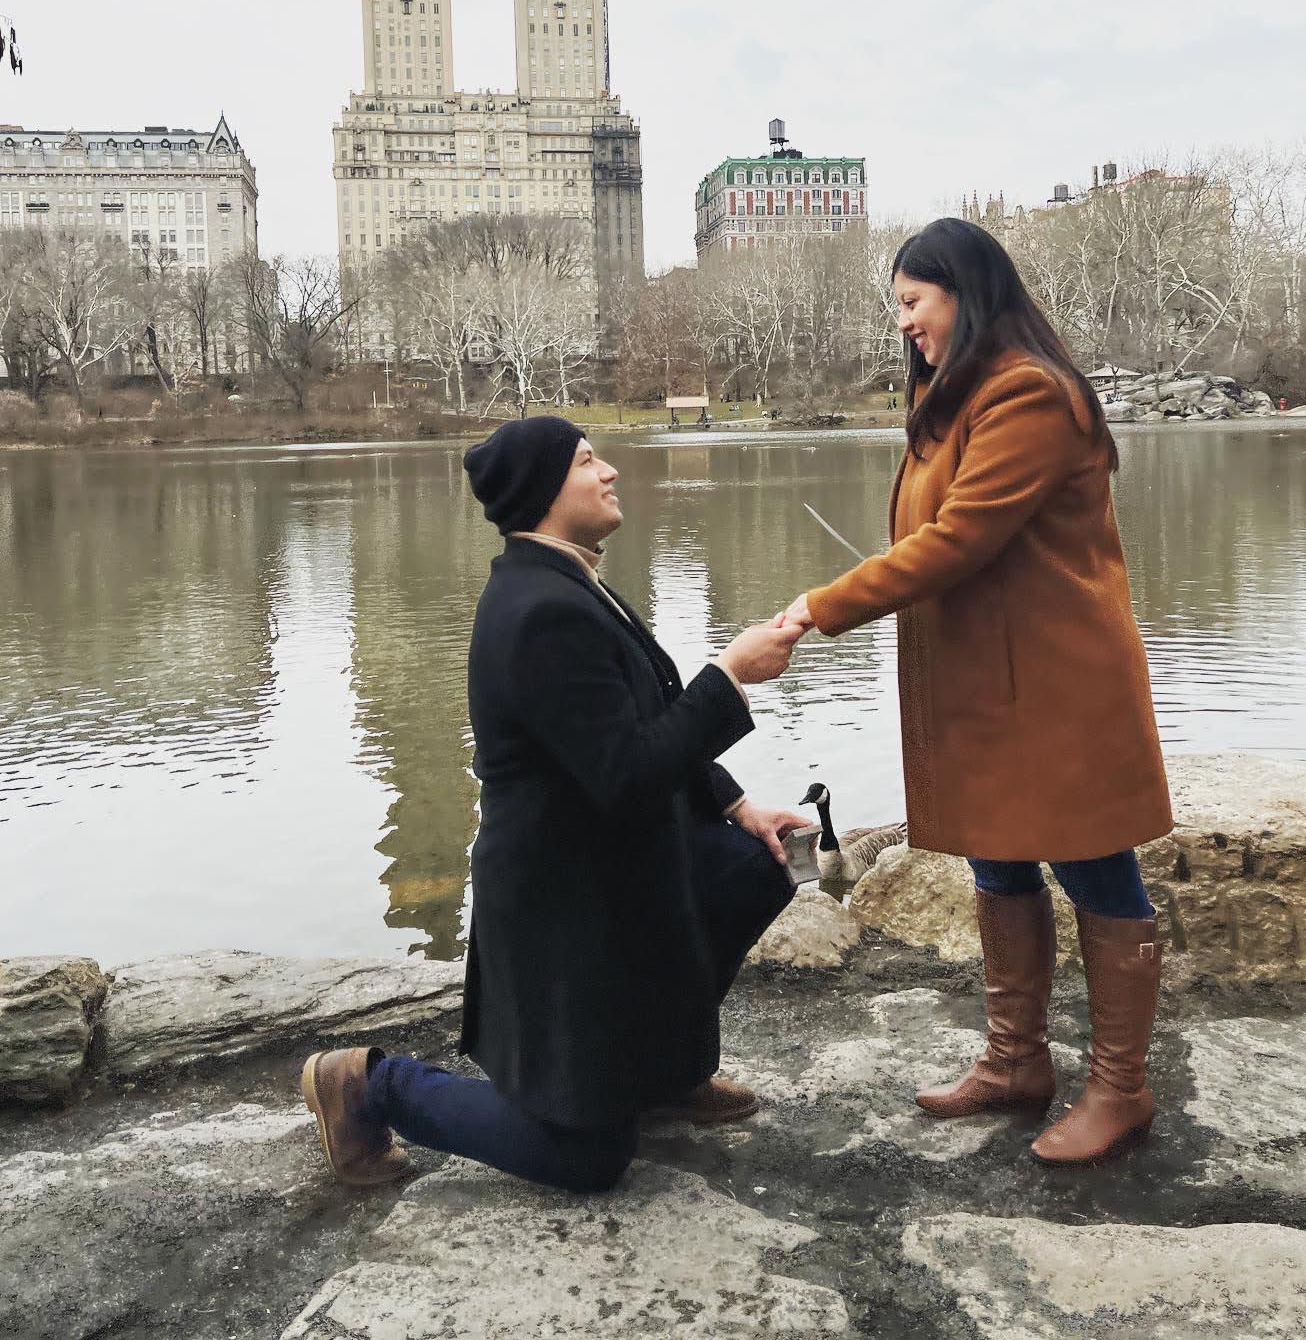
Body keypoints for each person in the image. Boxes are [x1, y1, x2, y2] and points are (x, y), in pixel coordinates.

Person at [302, 415, 810, 1193]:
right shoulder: (540, 613)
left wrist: (737, 805)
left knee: (758, 863)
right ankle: (369, 1086)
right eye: (586, 461)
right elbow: (626, 774)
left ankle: (660, 1074)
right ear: (545, 492)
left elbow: (640, 714)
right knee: (591, 1159)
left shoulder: (567, 580)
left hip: (617, 872)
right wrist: (731, 674)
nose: (609, 472)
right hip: (566, 911)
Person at [779, 219, 1173, 1167]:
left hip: (1052, 686)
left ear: (967, 293)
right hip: (987, 682)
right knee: (998, 861)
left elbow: (956, 542)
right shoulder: (958, 397)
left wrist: (813, 609)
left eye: (914, 302)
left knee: (1092, 866)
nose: (904, 322)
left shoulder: (1029, 396)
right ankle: (1015, 1063)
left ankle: (1121, 1089)